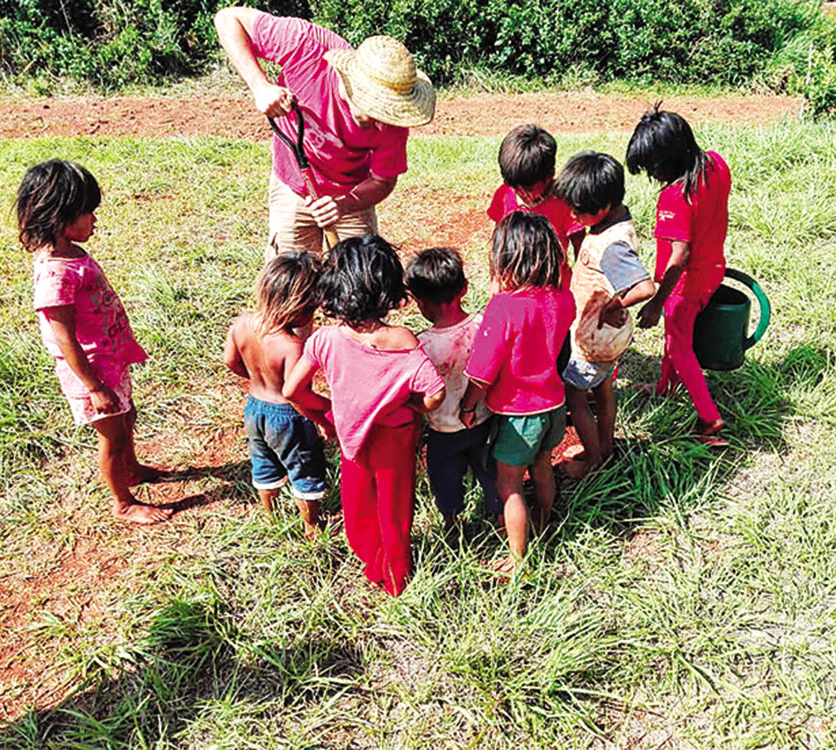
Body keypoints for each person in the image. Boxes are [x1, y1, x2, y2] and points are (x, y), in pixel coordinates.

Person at [283, 235, 445, 596]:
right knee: (395, 507)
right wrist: (416, 406)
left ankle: (371, 560)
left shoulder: (323, 339)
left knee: (357, 505)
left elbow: (292, 391)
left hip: (350, 436)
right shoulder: (401, 339)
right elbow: (435, 393)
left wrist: (330, 414)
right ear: (389, 290)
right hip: (396, 436)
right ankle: (396, 576)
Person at [17, 160, 172, 525]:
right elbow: (64, 336)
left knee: (126, 415)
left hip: (108, 359)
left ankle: (131, 469)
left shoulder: (70, 253)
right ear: (60, 217)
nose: (94, 220)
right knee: (112, 438)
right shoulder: (55, 274)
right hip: (92, 371)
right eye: (88, 213)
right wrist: (93, 387)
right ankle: (122, 503)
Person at [214, 7, 436, 258]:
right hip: (293, 186)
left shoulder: (394, 118)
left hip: (352, 193)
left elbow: (383, 181)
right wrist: (259, 85)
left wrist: (345, 204)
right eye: (377, 113)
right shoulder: (306, 47)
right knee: (292, 284)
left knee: (361, 281)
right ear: (354, 89)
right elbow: (228, 19)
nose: (384, 126)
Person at [459, 212, 576, 577]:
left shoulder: (503, 308)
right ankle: (543, 523)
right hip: (554, 404)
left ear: (505, 262)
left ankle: (518, 557)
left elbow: (481, 372)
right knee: (542, 466)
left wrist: (467, 405)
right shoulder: (562, 299)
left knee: (509, 484)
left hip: (517, 413)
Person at [626, 104, 729, 445]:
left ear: (666, 160)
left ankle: (710, 420)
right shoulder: (715, 163)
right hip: (713, 270)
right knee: (676, 338)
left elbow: (679, 256)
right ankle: (665, 388)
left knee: (679, 346)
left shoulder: (675, 196)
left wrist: (657, 302)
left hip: (684, 287)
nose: (653, 176)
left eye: (652, 168)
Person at [553, 152, 656, 478]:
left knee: (576, 396)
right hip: (609, 340)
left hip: (593, 341)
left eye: (577, 211)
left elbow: (644, 288)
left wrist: (612, 305)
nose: (572, 214)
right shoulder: (617, 217)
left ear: (600, 208)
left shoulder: (612, 244)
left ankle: (594, 461)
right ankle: (606, 446)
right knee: (604, 389)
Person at [224, 252, 332, 539]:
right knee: (304, 468)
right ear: (299, 307)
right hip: (288, 417)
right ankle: (311, 525)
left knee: (263, 461)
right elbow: (298, 395)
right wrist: (326, 417)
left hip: (254, 407)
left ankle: (269, 513)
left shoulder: (242, 324)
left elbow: (230, 361)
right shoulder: (292, 346)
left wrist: (256, 377)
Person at [405, 248, 502, 528]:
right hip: (484, 419)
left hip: (443, 429)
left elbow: (417, 392)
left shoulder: (420, 345)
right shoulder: (484, 326)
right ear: (465, 289)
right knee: (489, 470)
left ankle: (451, 521)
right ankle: (500, 516)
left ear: (420, 303)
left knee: (444, 475)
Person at [487, 124, 585, 281]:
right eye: (515, 187)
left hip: (555, 286)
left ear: (550, 174)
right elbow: (497, 243)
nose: (521, 193)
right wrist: (496, 279)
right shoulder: (504, 195)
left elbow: (580, 245)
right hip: (515, 286)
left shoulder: (565, 201)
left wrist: (580, 283)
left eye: (529, 189)